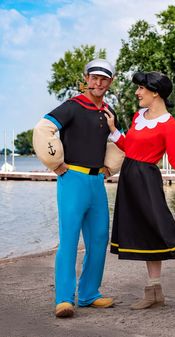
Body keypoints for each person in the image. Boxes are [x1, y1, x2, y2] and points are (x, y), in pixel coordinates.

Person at [104, 71, 175, 311]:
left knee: (167, 230)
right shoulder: (138, 116)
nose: (137, 93)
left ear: (155, 92)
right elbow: (130, 147)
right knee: (147, 234)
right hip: (129, 180)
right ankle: (154, 292)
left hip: (146, 181)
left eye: (141, 89)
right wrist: (114, 130)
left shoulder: (170, 125)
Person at [33, 58, 122, 318]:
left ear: (110, 82)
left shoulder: (108, 112)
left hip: (97, 182)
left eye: (103, 78)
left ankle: (88, 294)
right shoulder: (72, 106)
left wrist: (109, 168)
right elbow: (43, 129)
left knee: (98, 239)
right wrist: (55, 164)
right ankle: (63, 299)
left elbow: (117, 141)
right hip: (72, 179)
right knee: (69, 239)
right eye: (94, 77)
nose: (98, 82)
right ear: (86, 78)